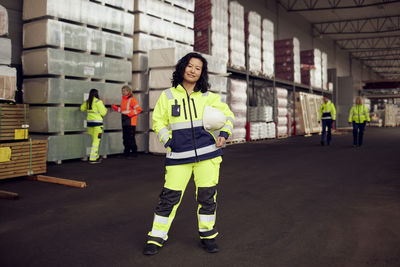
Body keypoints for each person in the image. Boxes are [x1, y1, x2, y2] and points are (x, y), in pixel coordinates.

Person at [143, 53, 234, 256]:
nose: (193, 70)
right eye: (190, 66)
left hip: (208, 156)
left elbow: (228, 115)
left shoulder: (209, 97)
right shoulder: (167, 96)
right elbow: (158, 122)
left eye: (198, 68)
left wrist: (224, 133)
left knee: (207, 197)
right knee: (169, 198)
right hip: (178, 157)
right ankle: (156, 237)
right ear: (183, 67)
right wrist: (168, 140)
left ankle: (208, 235)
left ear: (202, 73)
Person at [112, 86, 142, 157]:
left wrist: (129, 114)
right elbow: (122, 110)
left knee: (130, 138)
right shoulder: (124, 100)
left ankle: (134, 153)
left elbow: (138, 109)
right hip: (124, 121)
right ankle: (126, 152)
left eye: (124, 91)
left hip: (131, 121)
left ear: (128, 91)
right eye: (122, 91)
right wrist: (115, 107)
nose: (123, 92)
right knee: (125, 138)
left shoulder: (132, 99)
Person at [80, 89, 107, 164]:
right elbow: (103, 113)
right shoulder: (98, 102)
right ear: (97, 94)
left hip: (90, 124)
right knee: (96, 140)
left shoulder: (88, 102)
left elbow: (82, 108)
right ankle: (92, 158)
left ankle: (96, 156)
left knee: (94, 139)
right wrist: (105, 109)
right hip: (98, 124)